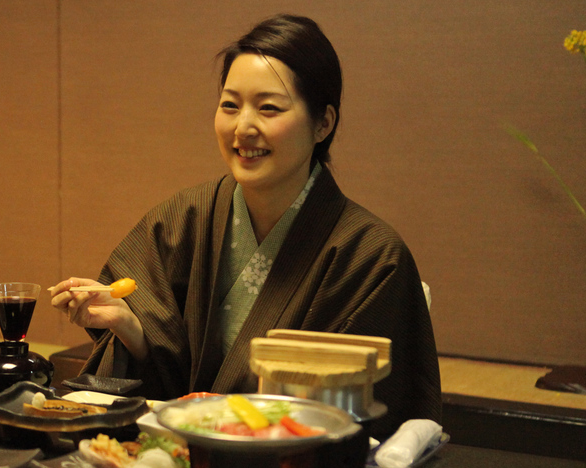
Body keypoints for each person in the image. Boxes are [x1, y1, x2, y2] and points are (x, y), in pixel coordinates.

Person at [50, 14, 440, 436]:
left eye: (269, 108)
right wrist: (130, 328)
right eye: (230, 105)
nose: (243, 127)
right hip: (169, 462)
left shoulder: (370, 256)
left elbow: (367, 420)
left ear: (323, 123)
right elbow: (166, 392)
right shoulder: (182, 220)